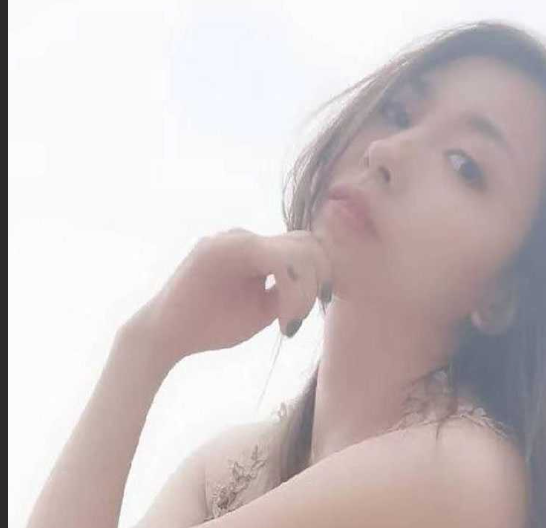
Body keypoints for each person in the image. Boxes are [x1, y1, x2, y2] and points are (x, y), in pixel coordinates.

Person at [26, 20, 546, 528]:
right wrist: (146, 344)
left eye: (464, 165)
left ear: (504, 294)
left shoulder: (462, 473)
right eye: (397, 113)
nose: (386, 152)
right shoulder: (227, 467)